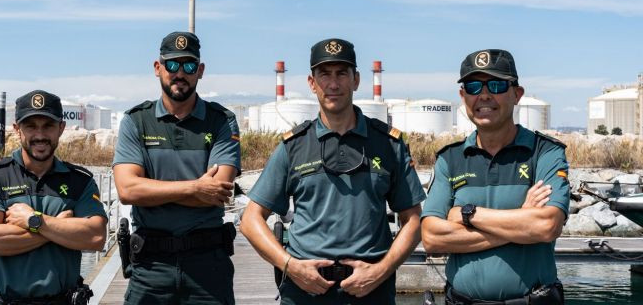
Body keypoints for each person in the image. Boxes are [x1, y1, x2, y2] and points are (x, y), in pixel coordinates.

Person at [240, 38, 426, 305]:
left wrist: (379, 272)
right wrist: (290, 266)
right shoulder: (294, 146)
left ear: (356, 80)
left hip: (371, 291)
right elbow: (250, 220)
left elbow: (414, 220)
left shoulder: (387, 144)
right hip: (305, 291)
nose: (333, 84)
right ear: (312, 83)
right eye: (324, 75)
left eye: (342, 74)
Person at [421, 49, 570, 304]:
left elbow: (546, 226)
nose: (484, 95)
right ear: (463, 96)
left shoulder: (544, 153)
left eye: (497, 84)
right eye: (473, 86)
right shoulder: (450, 159)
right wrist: (522, 222)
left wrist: (468, 214)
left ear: (517, 94)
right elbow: (432, 238)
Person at [113, 31, 241, 305]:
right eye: (171, 65)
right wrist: (195, 187)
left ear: (201, 71)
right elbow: (127, 190)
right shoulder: (136, 121)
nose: (179, 73)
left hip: (207, 266)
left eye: (189, 66)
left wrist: (152, 190)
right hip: (150, 267)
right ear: (157, 68)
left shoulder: (221, 122)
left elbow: (217, 192)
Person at [0, 90, 108, 305]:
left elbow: (96, 237)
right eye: (31, 126)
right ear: (17, 129)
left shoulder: (79, 181)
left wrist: (35, 221)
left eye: (48, 126)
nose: (40, 135)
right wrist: (58, 227)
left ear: (61, 128)